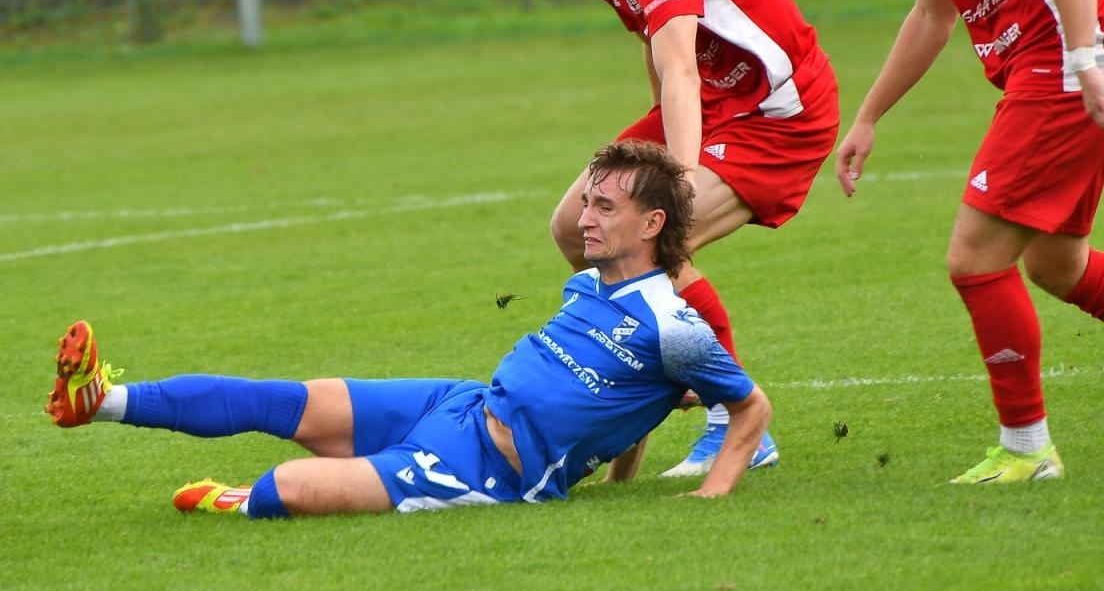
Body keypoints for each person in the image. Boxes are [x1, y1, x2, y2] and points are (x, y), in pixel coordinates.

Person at [44, 140, 772, 517]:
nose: (584, 217)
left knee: (292, 489)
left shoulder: (674, 324)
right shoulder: (586, 285)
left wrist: (715, 493)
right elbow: (628, 400)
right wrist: (617, 473)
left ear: (651, 224)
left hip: (485, 471)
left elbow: (749, 407)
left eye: (604, 208)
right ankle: (100, 401)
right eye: (588, 201)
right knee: (285, 402)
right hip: (457, 403)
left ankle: (235, 497)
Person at [515, 0, 840, 476]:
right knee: (575, 227)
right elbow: (665, 66)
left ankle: (734, 417)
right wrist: (650, 146)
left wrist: (677, 186)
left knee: (650, 244)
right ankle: (650, 387)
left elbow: (684, 72)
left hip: (776, 114)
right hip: (711, 103)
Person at [811, 0, 1104, 484]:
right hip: (1047, 73)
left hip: (1060, 72)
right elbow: (932, 15)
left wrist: (1085, 56)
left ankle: (1027, 449)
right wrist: (869, 116)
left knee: (975, 258)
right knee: (1056, 264)